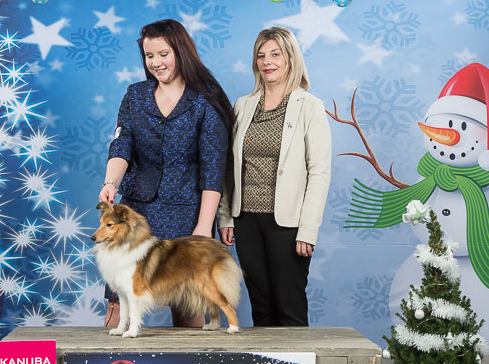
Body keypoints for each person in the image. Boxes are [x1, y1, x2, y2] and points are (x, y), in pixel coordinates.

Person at [98, 19, 235, 328]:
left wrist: (203, 227)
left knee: (188, 304)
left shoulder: (206, 99)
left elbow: (213, 169)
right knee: (119, 301)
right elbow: (122, 144)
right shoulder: (135, 95)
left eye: (163, 54)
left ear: (181, 52)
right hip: (136, 216)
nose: (156, 63)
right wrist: (110, 182)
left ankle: (191, 361)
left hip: (186, 215)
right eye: (149, 56)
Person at [218, 27, 331, 327]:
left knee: (289, 308)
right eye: (261, 55)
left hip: (288, 225)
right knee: (261, 309)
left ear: (290, 58)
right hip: (246, 222)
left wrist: (308, 230)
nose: (267, 62)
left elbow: (319, 173)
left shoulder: (309, 106)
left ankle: (297, 360)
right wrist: (225, 217)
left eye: (275, 54)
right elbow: (229, 166)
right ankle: (267, 360)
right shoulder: (243, 105)